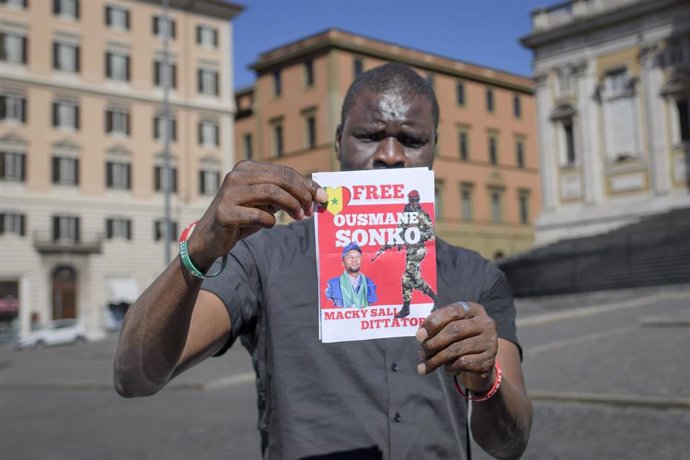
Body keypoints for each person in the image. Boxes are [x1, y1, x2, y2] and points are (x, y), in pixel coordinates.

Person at [114, 62, 532, 460]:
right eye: (369, 136)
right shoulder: (263, 257)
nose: (390, 154)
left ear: (434, 149)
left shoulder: (479, 276)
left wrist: (485, 381)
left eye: (411, 140)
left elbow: (510, 445)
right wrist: (199, 251)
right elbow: (136, 376)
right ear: (337, 142)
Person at [394, 189, 437, 319]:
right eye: (412, 200)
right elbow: (399, 229)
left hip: (419, 250)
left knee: (410, 277)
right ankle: (408, 307)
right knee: (409, 280)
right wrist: (398, 241)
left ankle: (434, 298)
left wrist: (417, 236)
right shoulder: (404, 215)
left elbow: (431, 232)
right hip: (409, 251)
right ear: (409, 200)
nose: (415, 203)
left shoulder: (423, 215)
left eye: (417, 200)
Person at [325, 242, 378, 308]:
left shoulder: (370, 283)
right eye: (349, 256)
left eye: (358, 256)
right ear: (343, 263)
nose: (354, 259)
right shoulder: (332, 285)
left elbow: (375, 306)